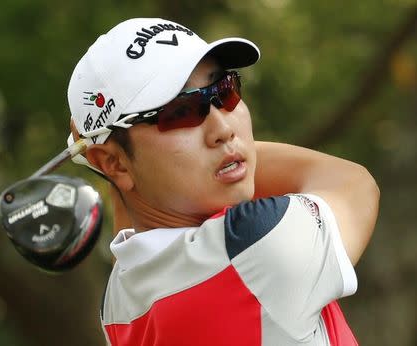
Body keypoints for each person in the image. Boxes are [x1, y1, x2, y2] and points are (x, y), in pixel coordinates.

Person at [67, 17, 379, 346]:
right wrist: (236, 152)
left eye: (224, 90)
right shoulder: (256, 244)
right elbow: (354, 183)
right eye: (180, 111)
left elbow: (133, 205)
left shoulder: (118, 304)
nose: (224, 129)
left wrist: (108, 156)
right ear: (115, 162)